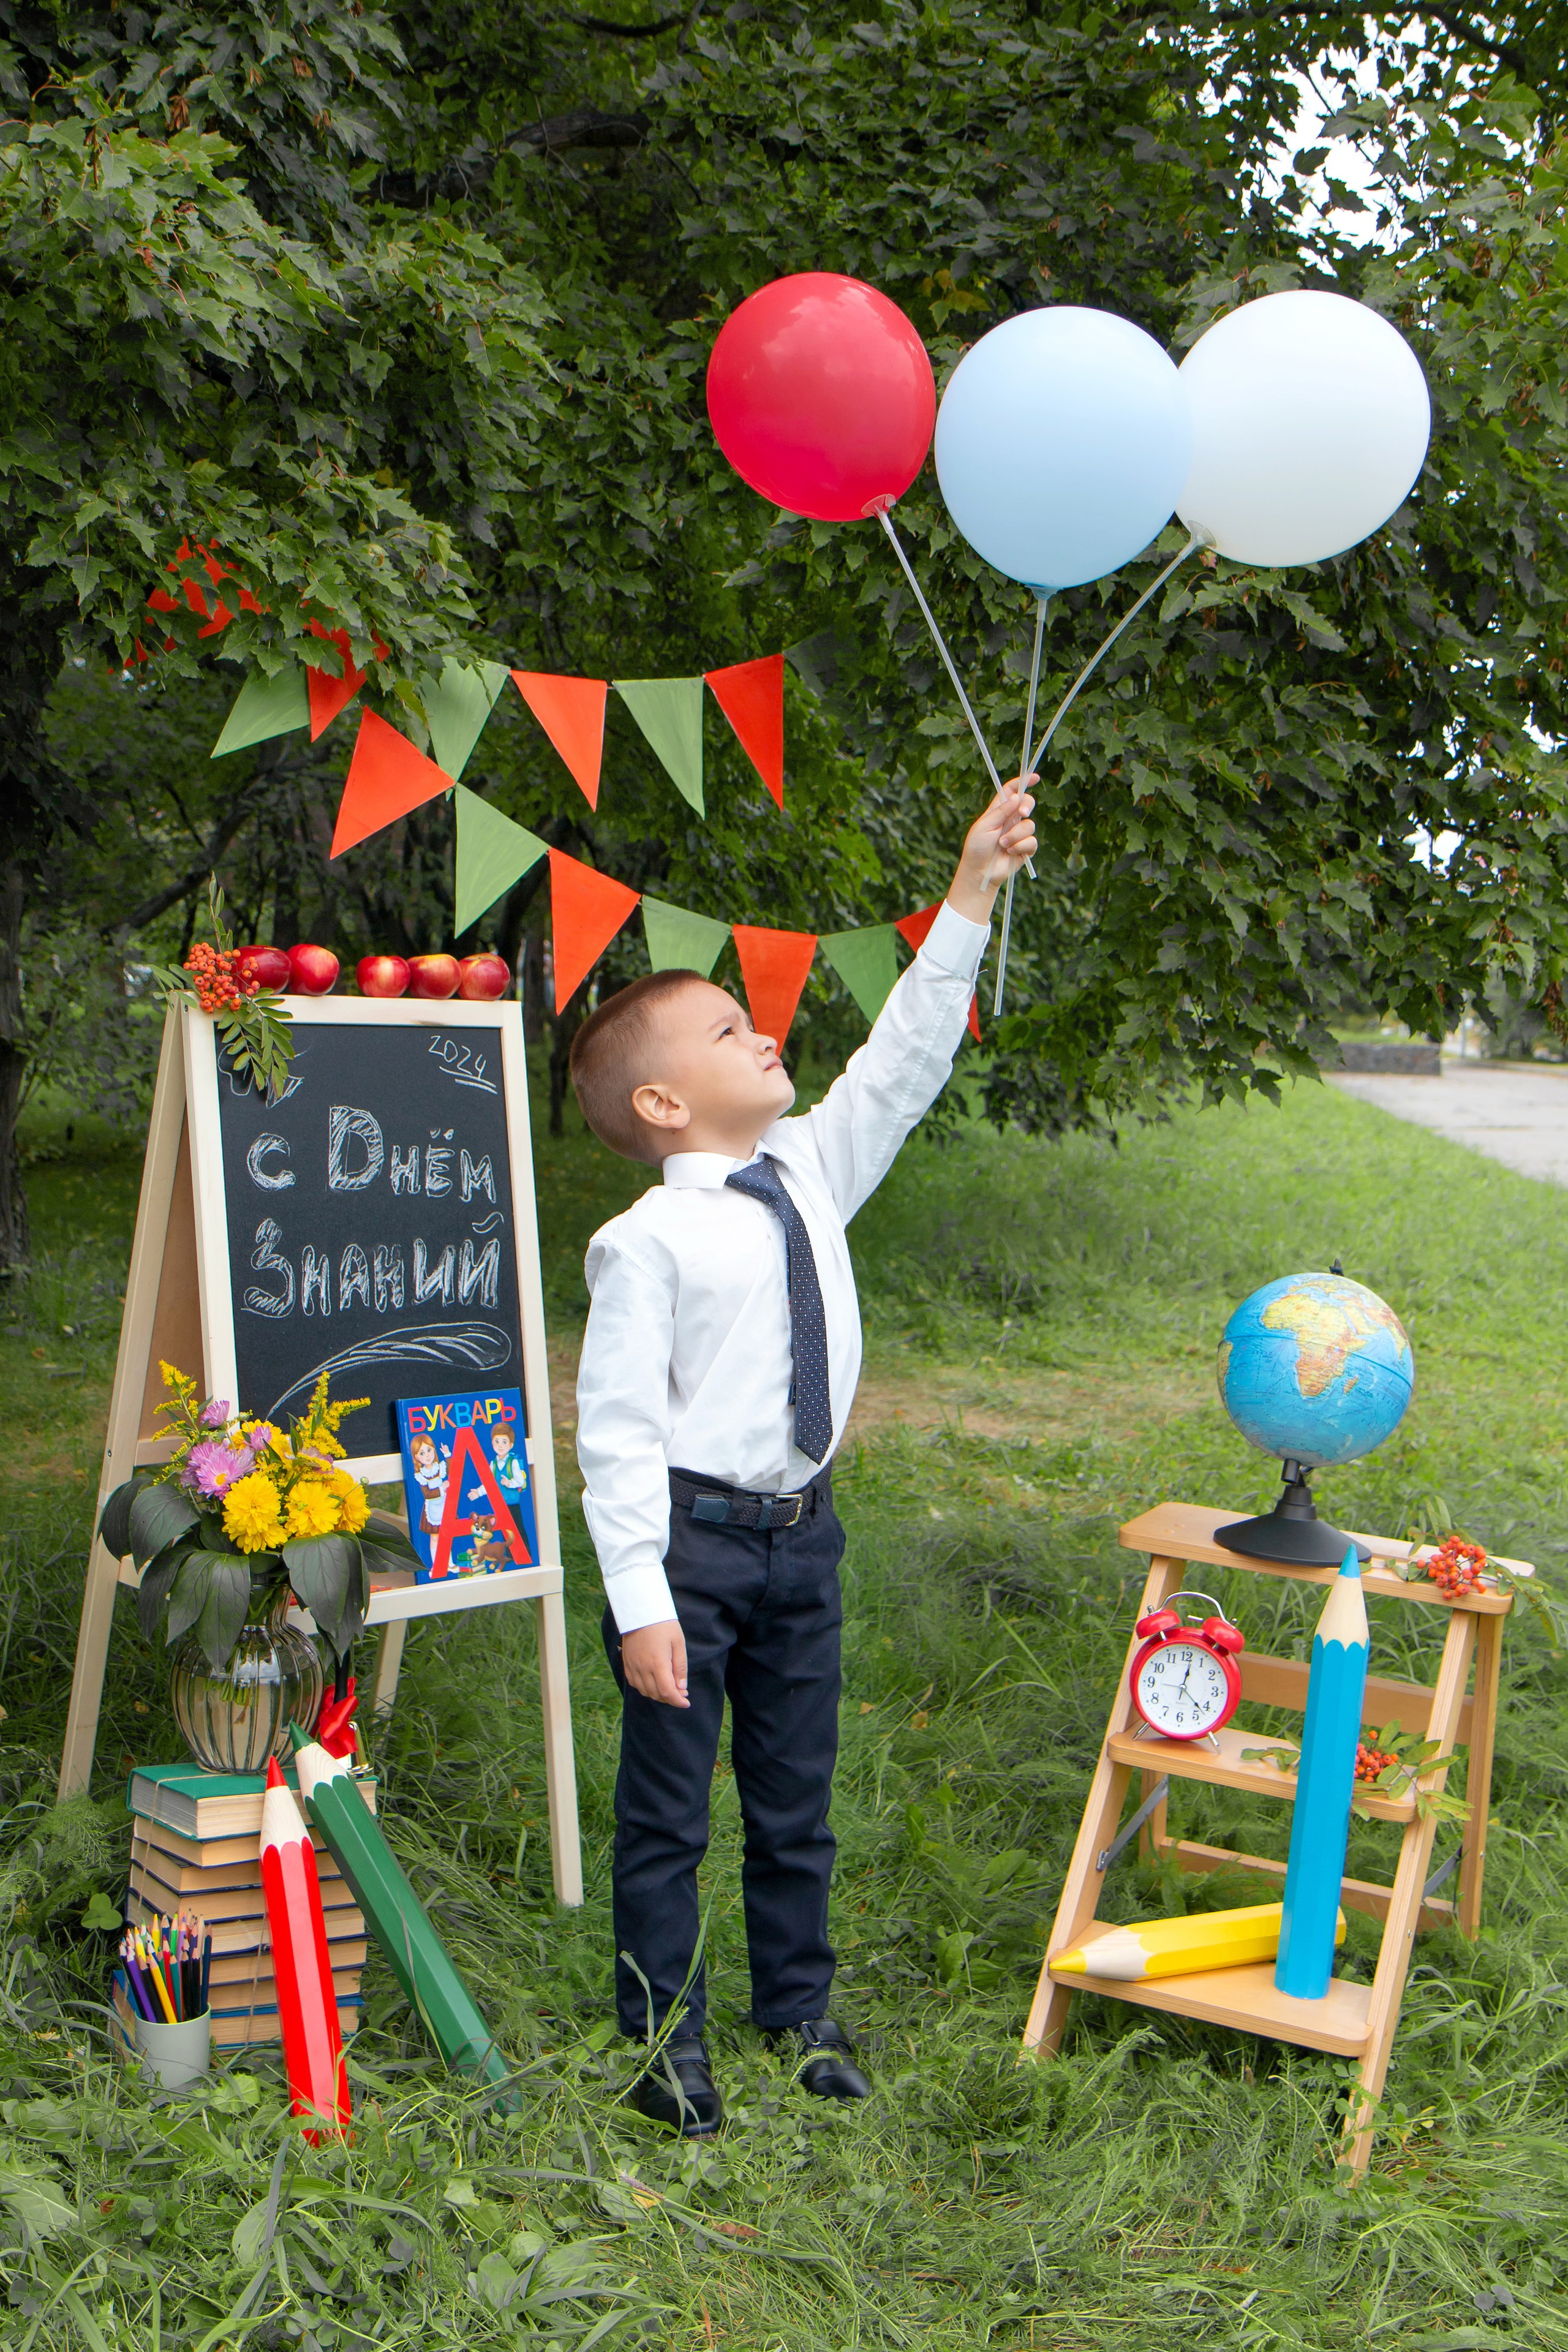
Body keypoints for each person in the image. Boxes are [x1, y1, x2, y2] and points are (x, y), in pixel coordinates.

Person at [570, 777, 1038, 2136]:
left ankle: (798, 2011)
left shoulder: (811, 1169)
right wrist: (643, 1600)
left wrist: (967, 894)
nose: (760, 1026)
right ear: (662, 1101)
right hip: (693, 1545)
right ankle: (665, 2040)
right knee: (669, 1812)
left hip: (800, 1537)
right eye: (726, 1028)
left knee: (794, 1796)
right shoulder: (642, 1243)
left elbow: (899, 1057)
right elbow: (614, 1437)